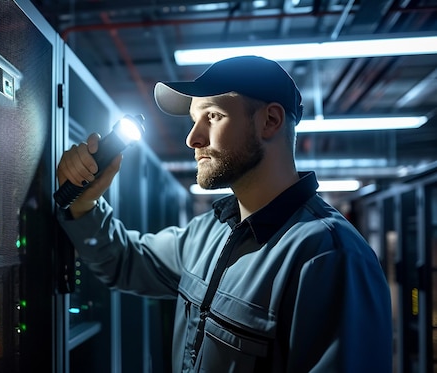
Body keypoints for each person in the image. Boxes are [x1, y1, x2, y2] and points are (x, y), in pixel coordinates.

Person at [55, 55, 393, 372]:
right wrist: (86, 201)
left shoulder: (329, 256)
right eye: (193, 120)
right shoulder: (207, 233)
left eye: (213, 116)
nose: (192, 138)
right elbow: (125, 261)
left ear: (270, 121)